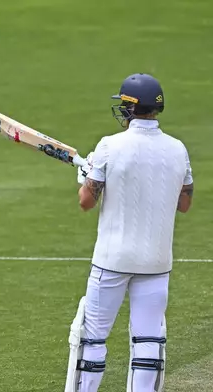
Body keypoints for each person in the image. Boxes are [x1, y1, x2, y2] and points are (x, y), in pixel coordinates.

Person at [64, 73, 194, 392]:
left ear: (131, 107)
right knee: (148, 341)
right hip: (156, 261)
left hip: (112, 260)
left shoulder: (110, 146)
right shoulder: (178, 149)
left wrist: (89, 175)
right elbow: (185, 203)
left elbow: (85, 202)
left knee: (91, 339)